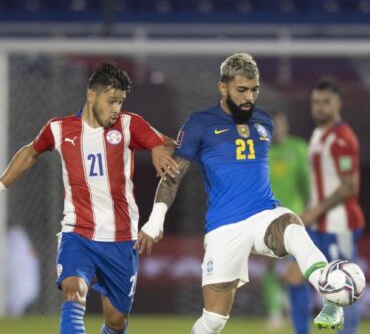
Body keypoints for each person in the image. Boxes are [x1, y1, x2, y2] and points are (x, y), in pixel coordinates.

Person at [135, 53, 346, 333]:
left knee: (292, 225)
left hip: (264, 214)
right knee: (213, 320)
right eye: (242, 90)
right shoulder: (199, 123)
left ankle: (329, 291)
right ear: (223, 87)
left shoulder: (264, 123)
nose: (249, 97)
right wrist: (155, 219)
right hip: (225, 225)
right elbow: (174, 173)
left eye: (254, 89)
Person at [0, 62, 178, 334]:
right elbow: (30, 152)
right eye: (111, 101)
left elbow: (166, 142)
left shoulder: (130, 124)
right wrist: (1, 185)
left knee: (116, 321)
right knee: (73, 291)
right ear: (91, 95)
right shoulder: (59, 129)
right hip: (78, 231)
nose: (116, 108)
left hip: (121, 237)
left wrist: (156, 148)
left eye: (120, 101)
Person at [285, 79, 365, 334]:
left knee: (343, 287)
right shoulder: (319, 135)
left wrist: (311, 213)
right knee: (294, 277)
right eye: (316, 102)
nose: (319, 107)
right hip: (318, 223)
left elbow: (348, 187)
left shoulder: (342, 138)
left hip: (339, 224)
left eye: (325, 102)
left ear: (338, 104)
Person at [264, 111, 310, 330]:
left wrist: (311, 212)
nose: (277, 130)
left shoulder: (299, 149)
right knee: (271, 265)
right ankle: (275, 311)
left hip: (295, 217)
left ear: (287, 126)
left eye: (280, 125)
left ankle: (287, 300)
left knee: (294, 267)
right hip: (268, 217)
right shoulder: (261, 151)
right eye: (272, 126)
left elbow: (308, 185)